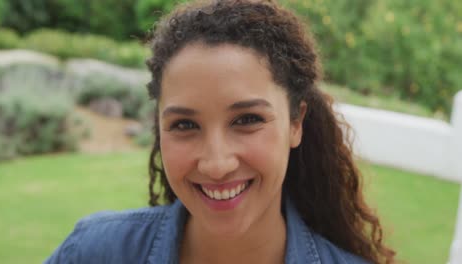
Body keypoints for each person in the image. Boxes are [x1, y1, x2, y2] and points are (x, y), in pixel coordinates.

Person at [45, 0, 396, 263]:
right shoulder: (91, 252)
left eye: (246, 120)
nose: (216, 164)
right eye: (185, 125)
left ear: (295, 123)